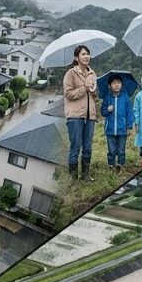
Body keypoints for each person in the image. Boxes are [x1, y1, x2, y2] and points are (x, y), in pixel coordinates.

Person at [62, 45, 98, 181]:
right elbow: (68, 94)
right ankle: (73, 177)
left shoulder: (92, 73)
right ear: (76, 58)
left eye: (88, 54)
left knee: (87, 147)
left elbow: (96, 96)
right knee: (75, 146)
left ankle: (85, 175)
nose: (86, 56)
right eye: (83, 54)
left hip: (90, 115)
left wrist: (94, 91)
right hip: (75, 115)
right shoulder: (70, 74)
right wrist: (84, 88)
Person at [101, 73, 133, 171]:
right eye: (114, 83)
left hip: (122, 129)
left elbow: (129, 113)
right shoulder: (107, 98)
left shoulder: (126, 98)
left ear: (122, 85)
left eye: (119, 83)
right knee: (112, 150)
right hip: (110, 130)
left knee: (121, 150)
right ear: (109, 85)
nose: (116, 85)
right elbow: (102, 112)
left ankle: (120, 165)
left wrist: (129, 127)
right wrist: (107, 109)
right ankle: (111, 165)